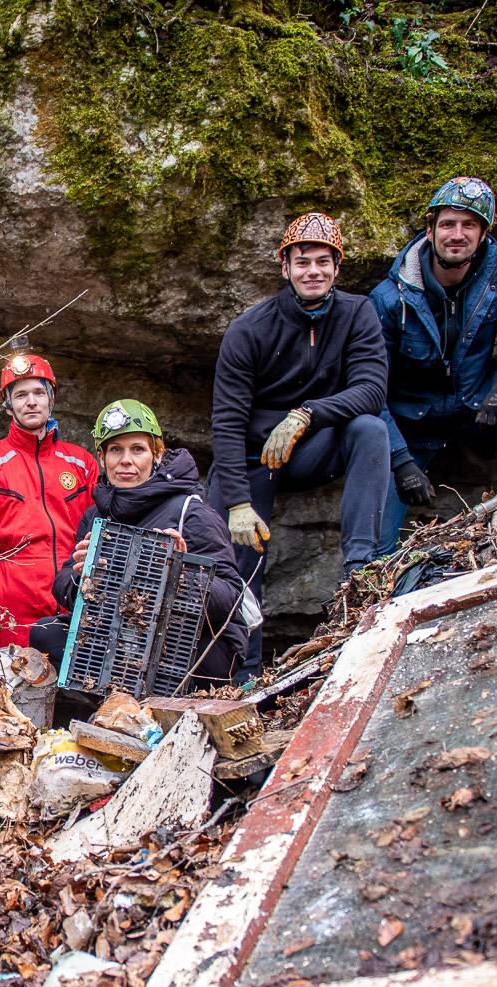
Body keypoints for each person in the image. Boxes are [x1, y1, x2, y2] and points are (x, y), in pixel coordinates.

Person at [203, 211, 389, 680]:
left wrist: (307, 413)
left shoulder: (357, 313)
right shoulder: (251, 328)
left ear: (337, 268)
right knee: (238, 553)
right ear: (284, 268)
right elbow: (226, 420)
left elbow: (372, 390)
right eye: (302, 261)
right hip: (251, 457)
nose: (313, 271)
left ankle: (360, 568)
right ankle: (241, 669)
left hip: (313, 446)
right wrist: (239, 503)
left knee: (370, 428)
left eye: (323, 262)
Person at [369, 176, 497, 554]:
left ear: (483, 234)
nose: (457, 234)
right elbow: (369, 390)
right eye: (447, 224)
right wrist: (401, 462)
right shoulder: (387, 298)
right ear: (430, 231)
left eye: (469, 225)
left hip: (478, 404)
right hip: (413, 426)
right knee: (375, 551)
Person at [31, 400, 245, 685]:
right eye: (116, 450)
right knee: (45, 633)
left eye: (138, 449)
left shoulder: (191, 512)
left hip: (188, 642)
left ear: (157, 454)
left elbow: (231, 596)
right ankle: (103, 705)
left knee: (167, 657)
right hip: (122, 632)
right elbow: (64, 587)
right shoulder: (96, 515)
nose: (126, 461)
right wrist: (78, 577)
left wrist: (183, 572)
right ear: (102, 457)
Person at [0, 350, 97, 649]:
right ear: (8, 406)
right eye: (21, 395)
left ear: (51, 400)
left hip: (74, 593)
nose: (31, 401)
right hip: (11, 603)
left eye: (40, 393)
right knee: (18, 691)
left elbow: (101, 531)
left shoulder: (81, 463)